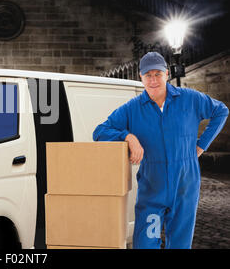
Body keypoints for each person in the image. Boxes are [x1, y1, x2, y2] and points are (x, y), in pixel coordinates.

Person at [92, 51, 229, 249]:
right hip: (152, 188)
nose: (153, 80)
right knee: (146, 244)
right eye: (148, 75)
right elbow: (100, 131)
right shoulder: (133, 108)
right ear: (141, 77)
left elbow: (221, 111)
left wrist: (201, 145)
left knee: (180, 245)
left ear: (167, 74)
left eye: (158, 74)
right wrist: (128, 137)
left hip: (185, 185)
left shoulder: (189, 99)